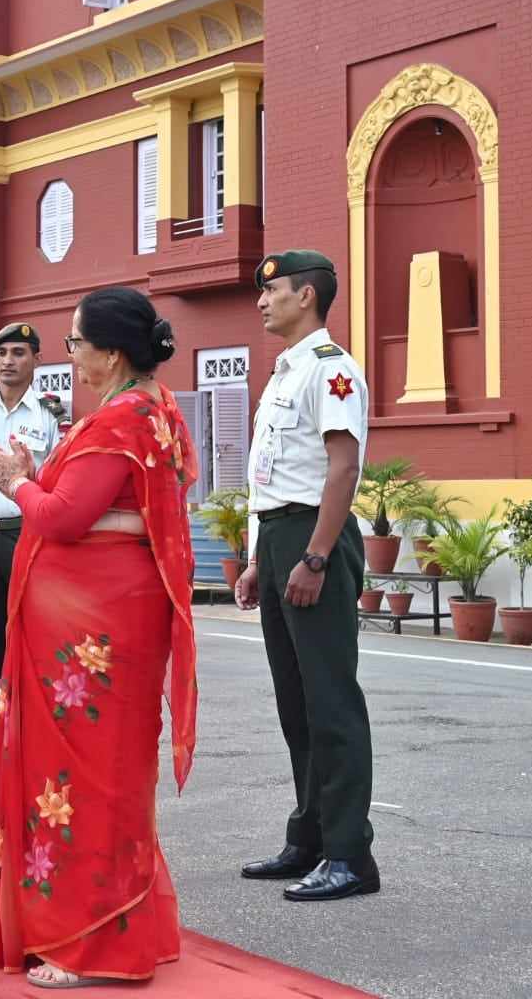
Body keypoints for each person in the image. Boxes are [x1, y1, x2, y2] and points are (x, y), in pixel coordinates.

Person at [0, 287, 197, 988]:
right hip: (106, 621)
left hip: (92, 636)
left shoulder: (121, 418)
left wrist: (14, 481)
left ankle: (87, 940)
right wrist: (36, 479)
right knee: (112, 773)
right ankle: (120, 927)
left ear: (111, 351)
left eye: (74, 341)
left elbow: (65, 518)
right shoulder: (155, 409)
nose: (68, 353)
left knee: (84, 778)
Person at [233, 250, 379, 902]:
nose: (263, 301)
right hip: (281, 535)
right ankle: (310, 836)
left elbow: (341, 469)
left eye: (275, 292)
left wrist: (316, 557)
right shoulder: (285, 372)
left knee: (331, 701)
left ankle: (350, 854)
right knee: (297, 703)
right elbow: (274, 478)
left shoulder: (332, 370)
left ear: (308, 299)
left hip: (315, 537)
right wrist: (262, 560)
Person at [0, 322, 65, 776]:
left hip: (28, 531)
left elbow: (59, 477)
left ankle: (36, 736)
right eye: (1, 353)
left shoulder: (49, 414)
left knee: (34, 637)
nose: (8, 361)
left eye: (19, 352)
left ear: (36, 359)